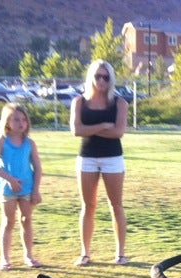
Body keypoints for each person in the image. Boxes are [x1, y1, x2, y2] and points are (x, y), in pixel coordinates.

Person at [70, 59, 129, 266]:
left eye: (106, 77)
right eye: (98, 76)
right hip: (87, 157)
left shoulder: (119, 103)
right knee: (88, 206)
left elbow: (119, 132)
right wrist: (104, 125)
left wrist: (92, 128)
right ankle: (85, 253)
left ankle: (120, 254)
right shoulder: (79, 102)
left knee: (116, 205)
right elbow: (76, 130)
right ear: (91, 77)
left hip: (113, 159)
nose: (102, 81)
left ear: (111, 79)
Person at [0, 103, 43, 270]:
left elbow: (38, 167)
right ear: (7, 122)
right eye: (16, 119)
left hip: (27, 189)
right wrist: (10, 180)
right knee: (8, 222)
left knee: (26, 221)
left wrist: (36, 190)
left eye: (24, 120)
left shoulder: (29, 143)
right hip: (8, 190)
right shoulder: (1, 141)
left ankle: (29, 256)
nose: (21, 123)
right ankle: (4, 258)